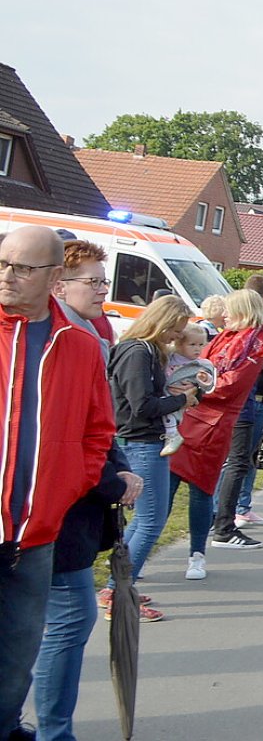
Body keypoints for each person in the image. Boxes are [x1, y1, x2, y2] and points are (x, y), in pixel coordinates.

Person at [11, 240, 140, 741]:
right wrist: (111, 479)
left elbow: (97, 428)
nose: (103, 289)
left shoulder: (87, 336)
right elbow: (55, 436)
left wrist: (114, 470)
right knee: (62, 622)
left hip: (67, 507)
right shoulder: (54, 340)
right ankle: (53, 731)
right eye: (94, 281)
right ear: (57, 284)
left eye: (104, 281)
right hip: (51, 512)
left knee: (53, 623)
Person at [169, 289, 263, 570]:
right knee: (171, 485)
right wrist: (194, 379)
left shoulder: (255, 341)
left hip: (215, 423)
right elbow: (203, 365)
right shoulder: (228, 336)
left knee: (203, 488)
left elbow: (229, 383)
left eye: (229, 309)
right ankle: (138, 561)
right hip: (194, 416)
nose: (223, 314)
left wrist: (197, 383)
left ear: (243, 311)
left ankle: (199, 553)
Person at [105, 294, 196, 608]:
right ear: (162, 323)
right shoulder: (138, 353)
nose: (176, 338)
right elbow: (142, 406)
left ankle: (116, 585)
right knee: (151, 521)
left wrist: (171, 394)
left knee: (143, 520)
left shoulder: (141, 351)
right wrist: (182, 400)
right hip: (141, 441)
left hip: (141, 439)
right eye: (175, 330)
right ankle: (119, 591)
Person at [211, 278, 263, 547]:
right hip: (237, 408)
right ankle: (222, 525)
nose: (224, 315)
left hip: (236, 406)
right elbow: (229, 377)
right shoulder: (249, 338)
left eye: (229, 310)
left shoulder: (246, 336)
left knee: (238, 462)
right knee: (235, 463)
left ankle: (222, 520)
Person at [161, 324, 217, 456]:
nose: (197, 349)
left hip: (179, 399)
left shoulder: (201, 364)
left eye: (201, 345)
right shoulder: (168, 357)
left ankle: (172, 435)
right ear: (179, 344)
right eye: (192, 345)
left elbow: (209, 385)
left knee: (170, 414)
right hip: (165, 394)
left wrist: (203, 381)